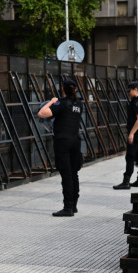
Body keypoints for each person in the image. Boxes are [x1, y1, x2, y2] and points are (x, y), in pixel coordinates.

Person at [37, 78, 84, 217]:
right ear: (75, 89)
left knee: (66, 174)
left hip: (63, 141)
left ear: (63, 89)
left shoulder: (61, 103)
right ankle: (74, 205)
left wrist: (52, 101)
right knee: (74, 173)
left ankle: (67, 208)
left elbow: (41, 113)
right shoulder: (79, 104)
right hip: (76, 141)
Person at [113, 81, 138, 190]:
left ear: (135, 89)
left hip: (136, 133)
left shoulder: (137, 102)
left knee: (130, 156)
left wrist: (131, 133)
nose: (128, 93)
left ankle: (126, 181)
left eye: (129, 90)